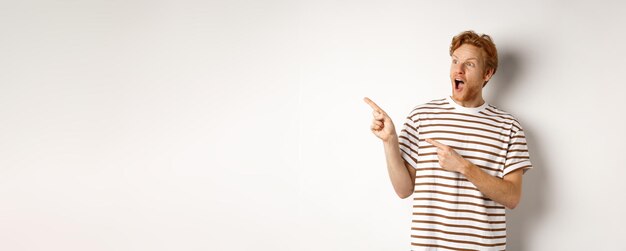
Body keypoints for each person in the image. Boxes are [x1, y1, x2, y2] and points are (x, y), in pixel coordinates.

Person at [364, 30, 532, 250]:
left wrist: (464, 166)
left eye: (470, 64)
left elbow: (512, 198)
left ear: (487, 73)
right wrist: (390, 141)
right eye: (455, 61)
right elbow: (403, 189)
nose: (458, 69)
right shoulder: (422, 116)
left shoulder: (508, 126)